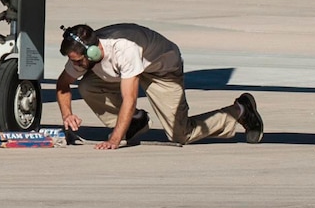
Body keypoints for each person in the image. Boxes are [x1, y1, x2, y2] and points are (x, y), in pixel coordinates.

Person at [54, 23, 262, 150]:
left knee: (181, 135)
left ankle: (241, 110)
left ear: (93, 53)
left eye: (78, 61)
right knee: (88, 85)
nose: (76, 65)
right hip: (134, 67)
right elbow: (63, 85)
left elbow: (130, 98)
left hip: (163, 70)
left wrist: (115, 140)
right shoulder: (83, 53)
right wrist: (67, 115)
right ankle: (136, 121)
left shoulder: (124, 49)